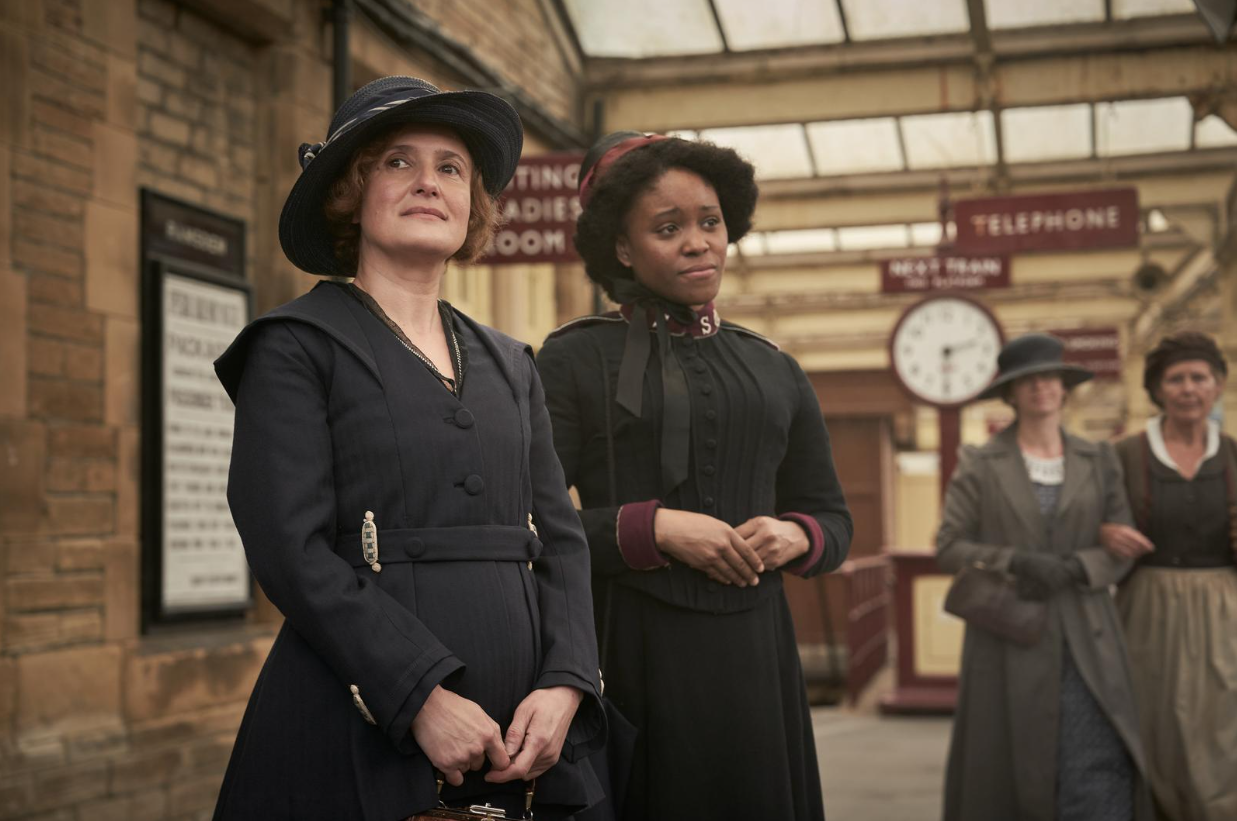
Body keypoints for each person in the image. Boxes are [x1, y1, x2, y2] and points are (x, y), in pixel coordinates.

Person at [210, 76, 604, 820]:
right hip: (358, 724)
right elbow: (289, 549)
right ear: (349, 194)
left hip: (529, 738)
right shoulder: (294, 347)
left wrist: (566, 682)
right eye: (397, 162)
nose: (428, 181)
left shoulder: (512, 363)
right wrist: (416, 693)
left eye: (450, 168)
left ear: (471, 205)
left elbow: (561, 539)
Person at [535, 131, 852, 821]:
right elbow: (524, 525)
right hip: (630, 651)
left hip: (758, 659)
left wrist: (792, 535)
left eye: (709, 222)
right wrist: (653, 529)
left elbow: (832, 518)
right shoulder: (568, 361)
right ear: (622, 248)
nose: (698, 242)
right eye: (667, 227)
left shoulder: (775, 368)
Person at [936, 332, 1151, 821]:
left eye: (1049, 378)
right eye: (1028, 381)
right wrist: (1016, 561)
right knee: (1011, 765)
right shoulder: (981, 463)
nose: (1041, 389)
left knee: (1094, 751)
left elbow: (1123, 546)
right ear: (1011, 393)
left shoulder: (1099, 460)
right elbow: (949, 548)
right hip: (1010, 634)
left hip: (1089, 633)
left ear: (1063, 387)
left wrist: (1080, 565)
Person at [1101, 331, 1236, 821]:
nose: (1187, 388)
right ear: (1157, 391)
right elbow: (1086, 520)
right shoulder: (1124, 456)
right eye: (1174, 379)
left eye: (1199, 377)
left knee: (1220, 726)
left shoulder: (1234, 456)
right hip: (1146, 608)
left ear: (1217, 385)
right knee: (1153, 722)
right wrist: (1104, 531)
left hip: (1224, 610)